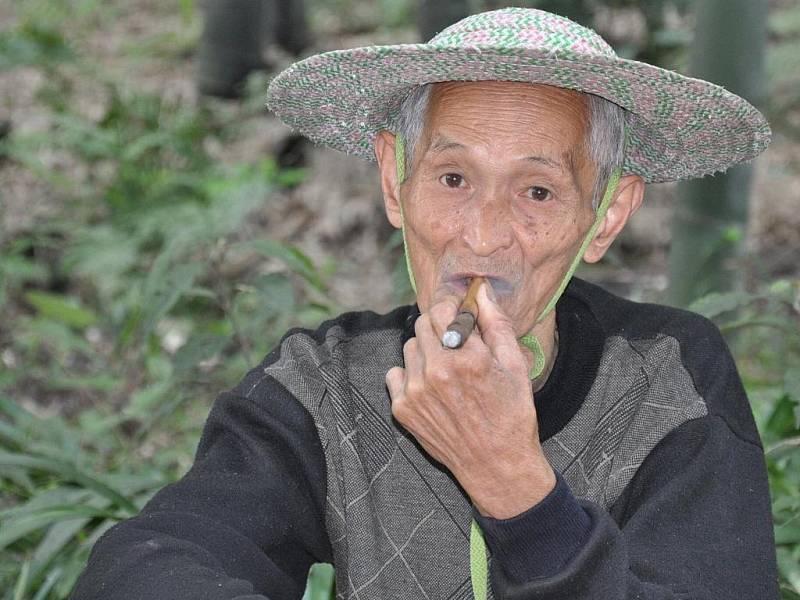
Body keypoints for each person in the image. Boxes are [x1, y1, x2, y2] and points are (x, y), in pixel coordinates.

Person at [71, 7, 780, 599]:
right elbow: (149, 564)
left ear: (606, 215)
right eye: (450, 178)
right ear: (392, 181)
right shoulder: (326, 387)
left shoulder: (668, 381)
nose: (482, 234)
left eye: (537, 191)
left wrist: (515, 485)